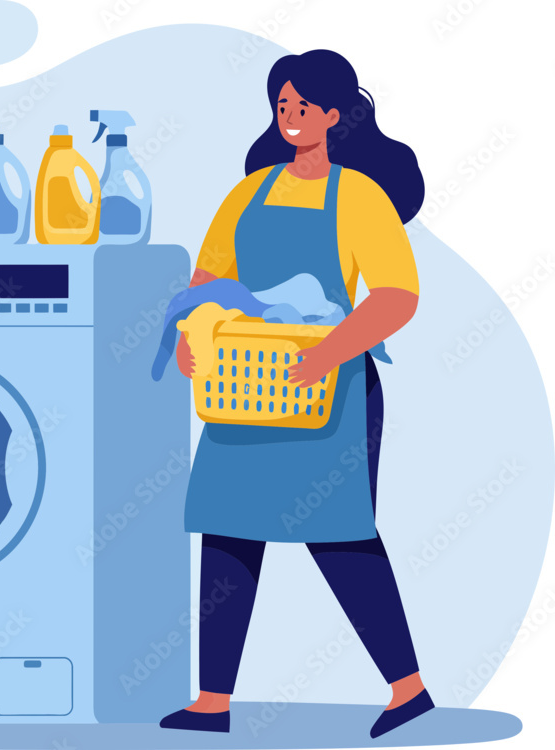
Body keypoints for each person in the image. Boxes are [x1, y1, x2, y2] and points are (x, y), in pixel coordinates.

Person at [159, 50, 433, 739]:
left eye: (302, 107)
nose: (289, 118)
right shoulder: (247, 194)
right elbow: (207, 278)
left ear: (333, 116)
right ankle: (212, 701)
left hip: (328, 397)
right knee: (226, 535)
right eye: (281, 106)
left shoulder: (359, 196)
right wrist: (193, 336)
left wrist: (328, 353)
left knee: (342, 537)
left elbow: (398, 296)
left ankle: (409, 689)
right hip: (243, 391)